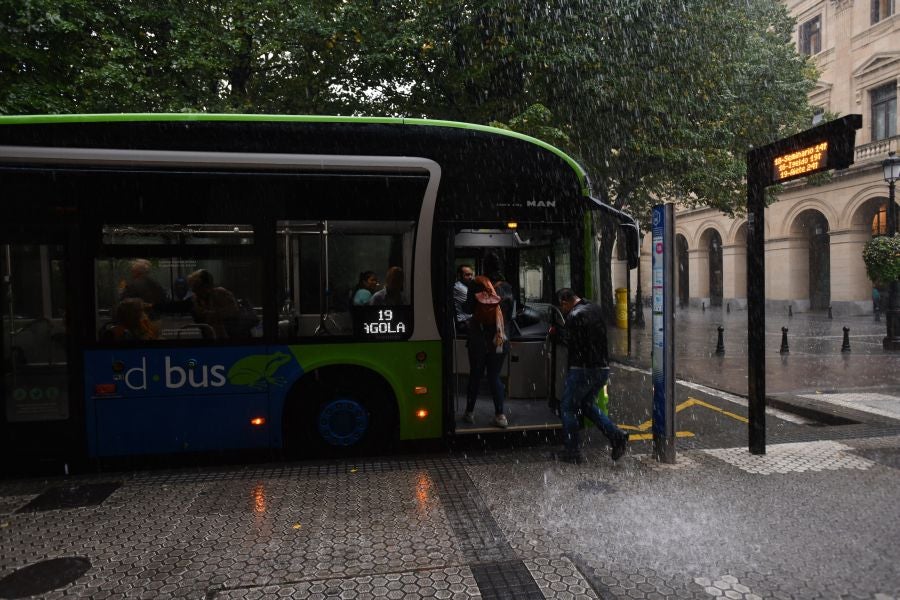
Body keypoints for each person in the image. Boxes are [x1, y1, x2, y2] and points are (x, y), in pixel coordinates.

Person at [555, 288, 628, 464]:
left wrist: (555, 333)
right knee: (586, 405)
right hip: (602, 368)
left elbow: (569, 341)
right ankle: (617, 436)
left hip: (582, 369)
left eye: (562, 306)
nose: (563, 310)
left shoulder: (574, 315)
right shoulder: (594, 308)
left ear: (565, 302)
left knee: (568, 408)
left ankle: (572, 452)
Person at [461, 274, 510, 428]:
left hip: (478, 337)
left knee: (475, 374)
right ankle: (500, 415)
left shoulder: (476, 284)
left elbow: (467, 308)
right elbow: (510, 311)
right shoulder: (506, 287)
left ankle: (469, 413)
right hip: (499, 335)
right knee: (494, 376)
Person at [185, 269, 240, 339]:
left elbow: (234, 311)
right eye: (193, 288)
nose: (194, 290)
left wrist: (213, 314)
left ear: (206, 286)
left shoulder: (220, 294)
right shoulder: (197, 299)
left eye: (197, 287)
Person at [453, 264, 474, 331]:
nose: (470, 277)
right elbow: (473, 304)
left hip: (469, 320)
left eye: (471, 274)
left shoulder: (466, 286)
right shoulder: (459, 287)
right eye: (467, 275)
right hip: (464, 322)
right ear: (459, 276)